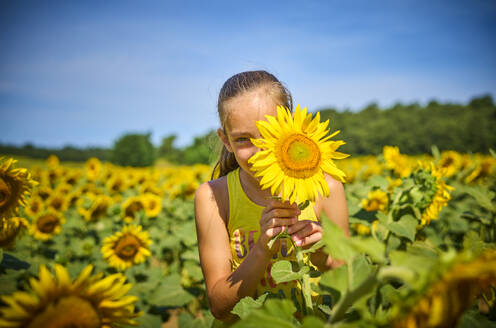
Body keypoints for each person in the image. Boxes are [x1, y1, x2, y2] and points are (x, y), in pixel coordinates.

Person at [194, 70, 349, 321]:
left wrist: (322, 255)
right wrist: (261, 250)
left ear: (290, 126)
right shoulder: (214, 196)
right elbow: (220, 307)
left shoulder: (326, 188)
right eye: (243, 139)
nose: (260, 153)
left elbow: (350, 283)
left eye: (269, 134)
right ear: (225, 141)